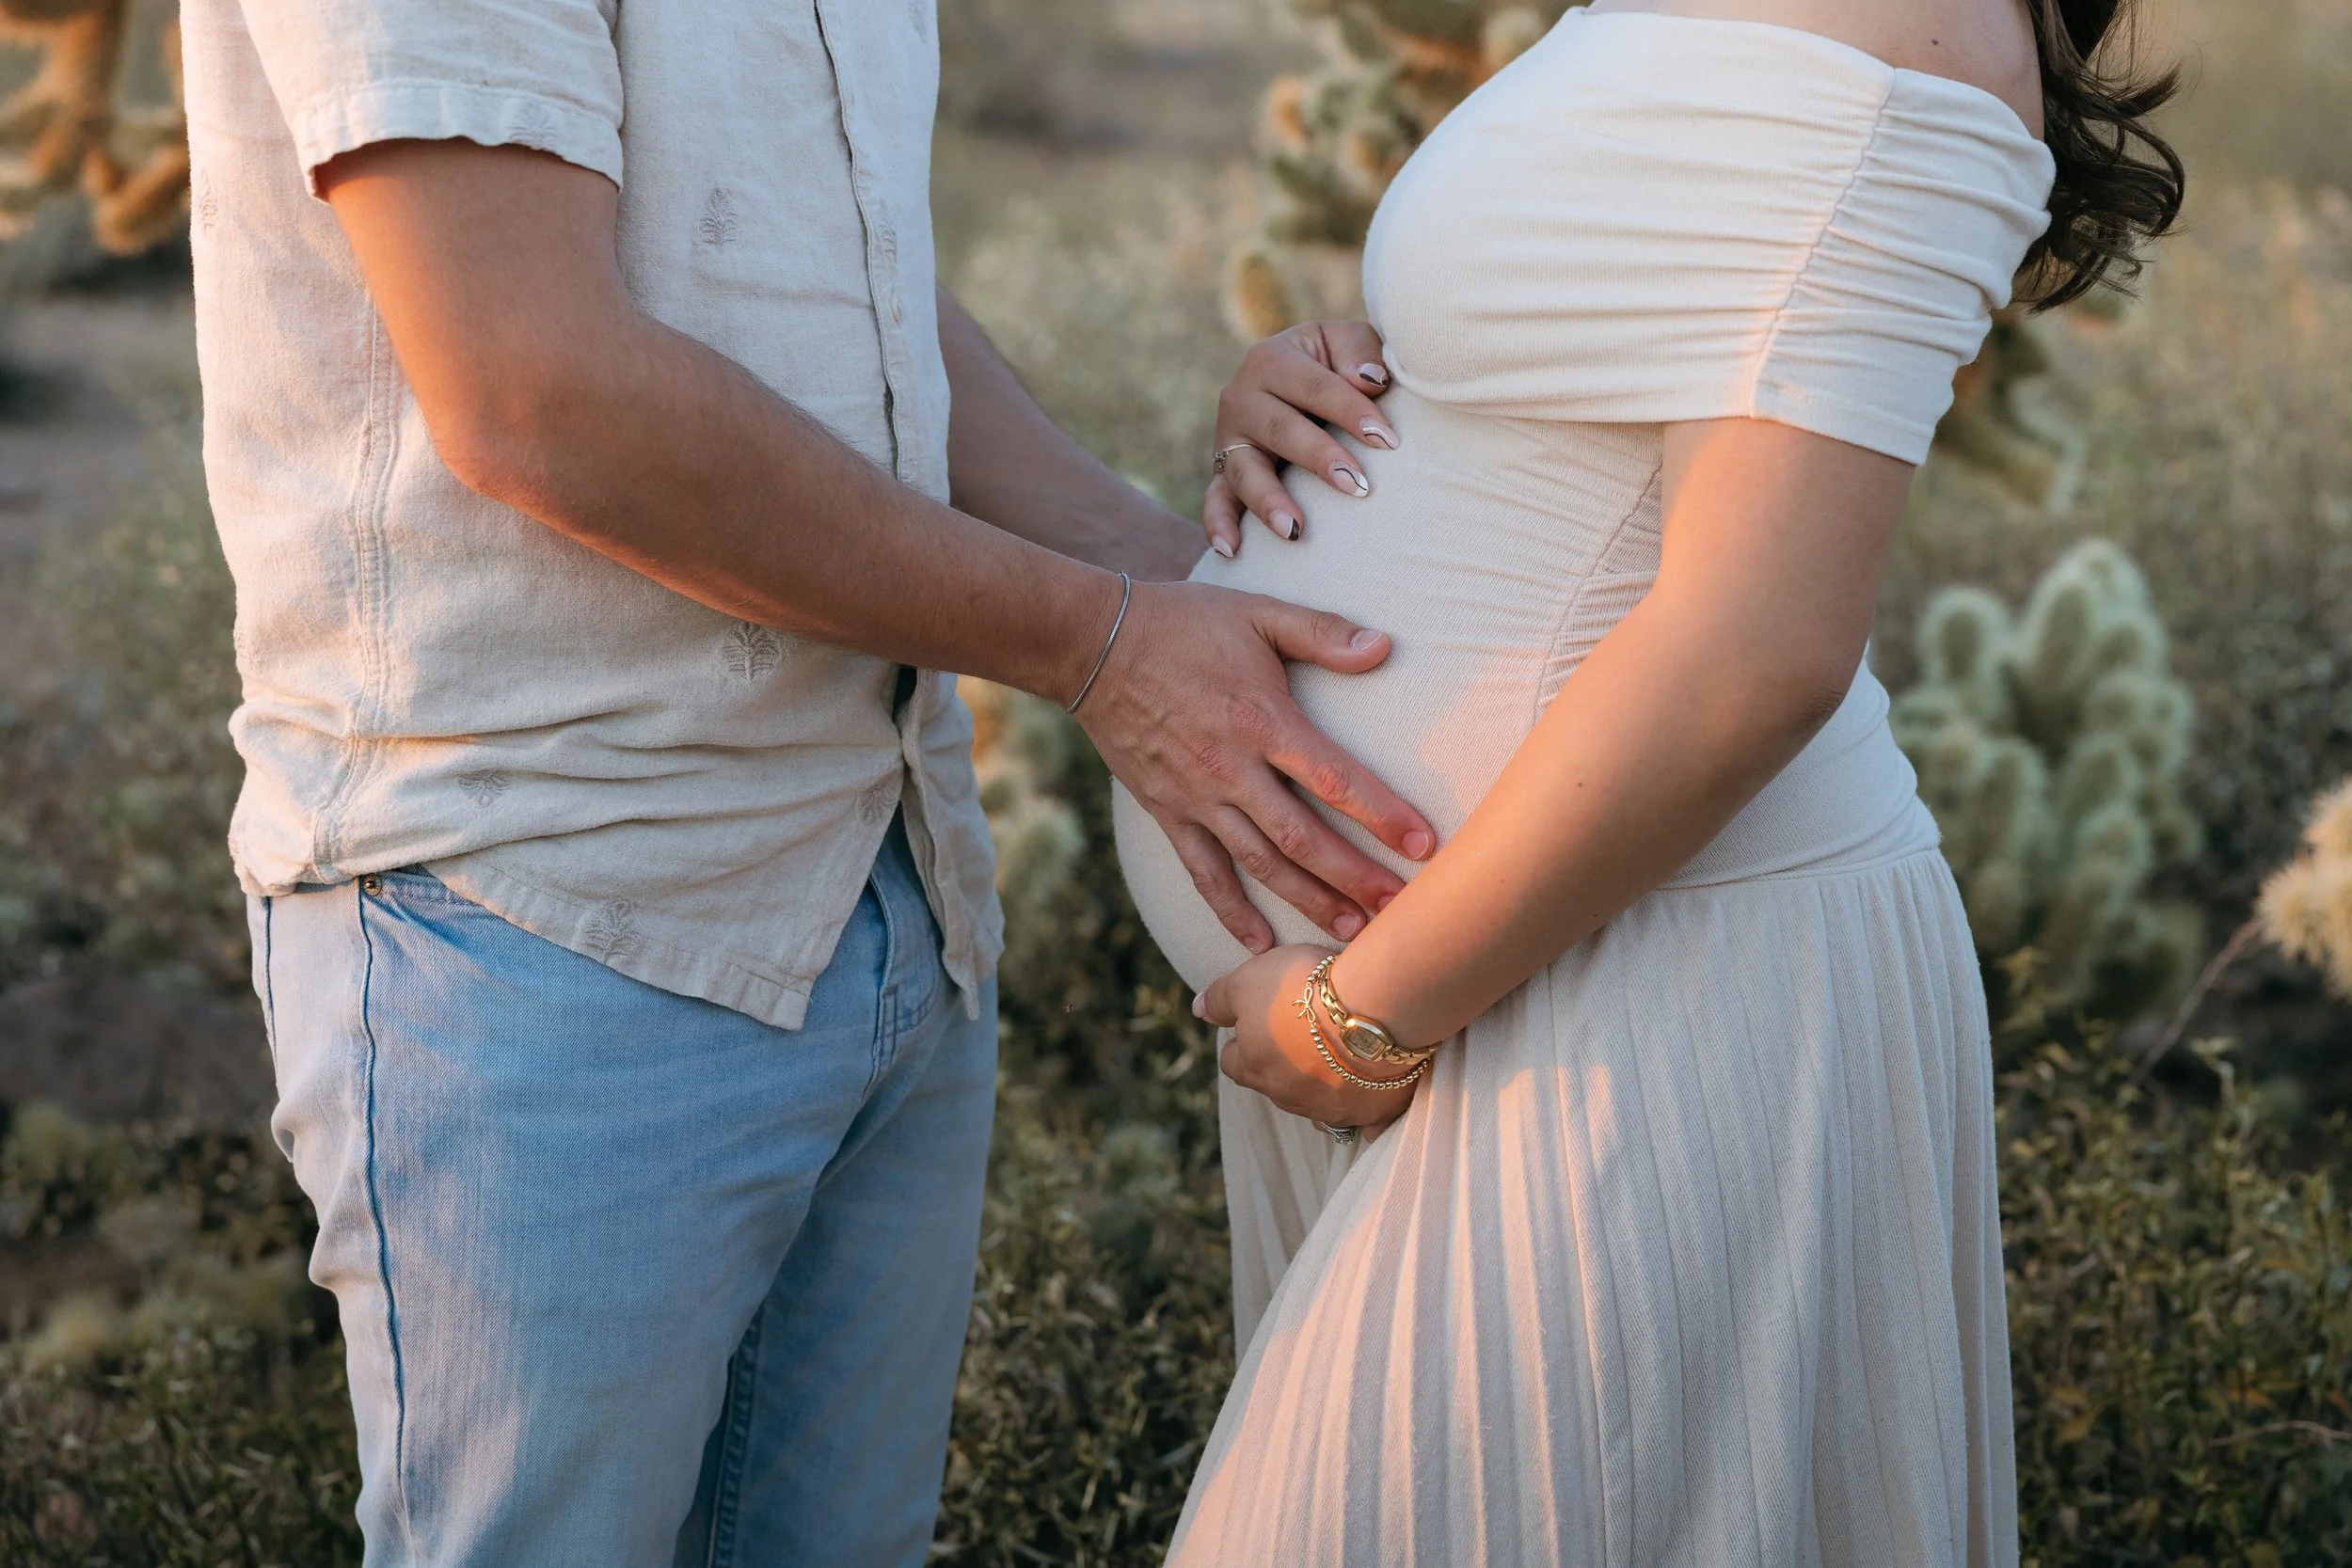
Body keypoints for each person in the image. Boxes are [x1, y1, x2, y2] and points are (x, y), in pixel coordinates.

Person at [183, 0, 1437, 1562]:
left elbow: (842, 270)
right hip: (548, 915)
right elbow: (533, 386)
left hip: (887, 870)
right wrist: (1110, 649)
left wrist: (1190, 587)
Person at [1113, 0, 2184, 1560]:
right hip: (1471, 985)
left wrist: (1363, 1016)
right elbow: (1600, 358)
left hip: (1617, 1008)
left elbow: (1758, 646)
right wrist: (1345, 393)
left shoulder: (1912, 18)